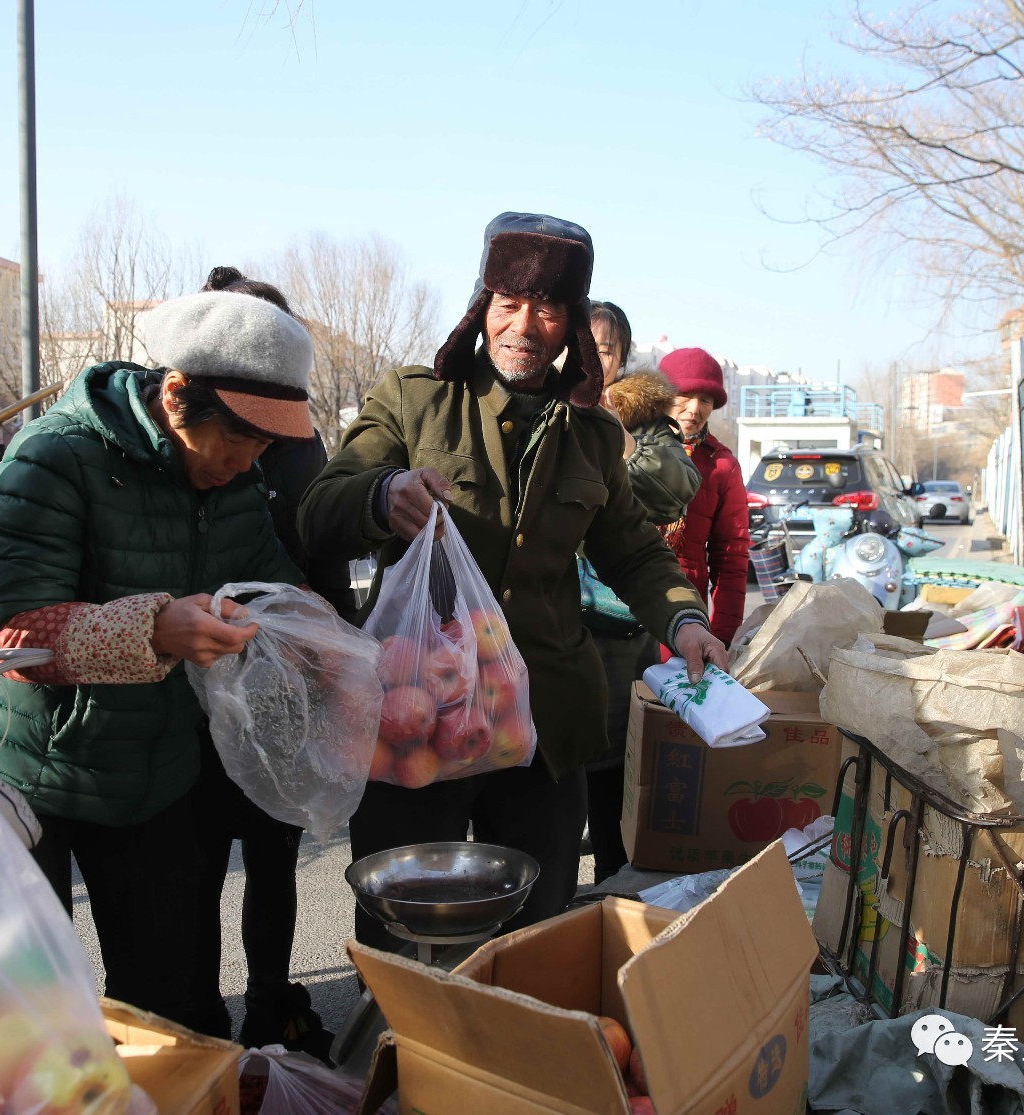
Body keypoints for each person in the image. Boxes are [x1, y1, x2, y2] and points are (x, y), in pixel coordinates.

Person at [299, 212, 729, 951]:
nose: (524, 325)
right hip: (416, 712)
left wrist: (686, 620)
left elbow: (633, 551)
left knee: (533, 936)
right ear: (482, 305)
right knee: (404, 934)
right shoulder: (415, 398)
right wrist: (381, 494)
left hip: (542, 724)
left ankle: (512, 1060)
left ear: (570, 324)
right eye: (509, 303)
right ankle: (402, 1061)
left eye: (548, 308)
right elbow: (320, 509)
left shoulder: (593, 434)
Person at [0, 291, 313, 1037]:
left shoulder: (239, 482)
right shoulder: (53, 458)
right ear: (176, 394)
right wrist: (155, 628)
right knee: (33, 1014)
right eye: (234, 439)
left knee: (172, 1008)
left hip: (158, 770)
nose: (245, 463)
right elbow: (13, 636)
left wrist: (330, 646)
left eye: (262, 448)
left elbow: (272, 583)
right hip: (36, 771)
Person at [188, 266, 342, 1057]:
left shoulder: (291, 432)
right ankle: (244, 1015)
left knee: (264, 855)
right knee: (226, 858)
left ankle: (261, 1008)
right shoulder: (235, 430)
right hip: (204, 669)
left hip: (266, 673)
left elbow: (315, 544)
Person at [582, 301, 700, 882]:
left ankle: (609, 902)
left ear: (622, 358)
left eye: (603, 349)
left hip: (616, 622)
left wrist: (620, 441)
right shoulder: (541, 405)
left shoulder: (644, 419)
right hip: (542, 624)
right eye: (581, 342)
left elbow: (673, 488)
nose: (590, 357)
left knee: (610, 773)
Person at [661, 348, 751, 645]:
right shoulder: (624, 445)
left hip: (684, 619)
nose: (694, 409)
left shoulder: (721, 465)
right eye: (684, 395)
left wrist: (723, 637)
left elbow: (731, 558)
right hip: (615, 611)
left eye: (706, 399)